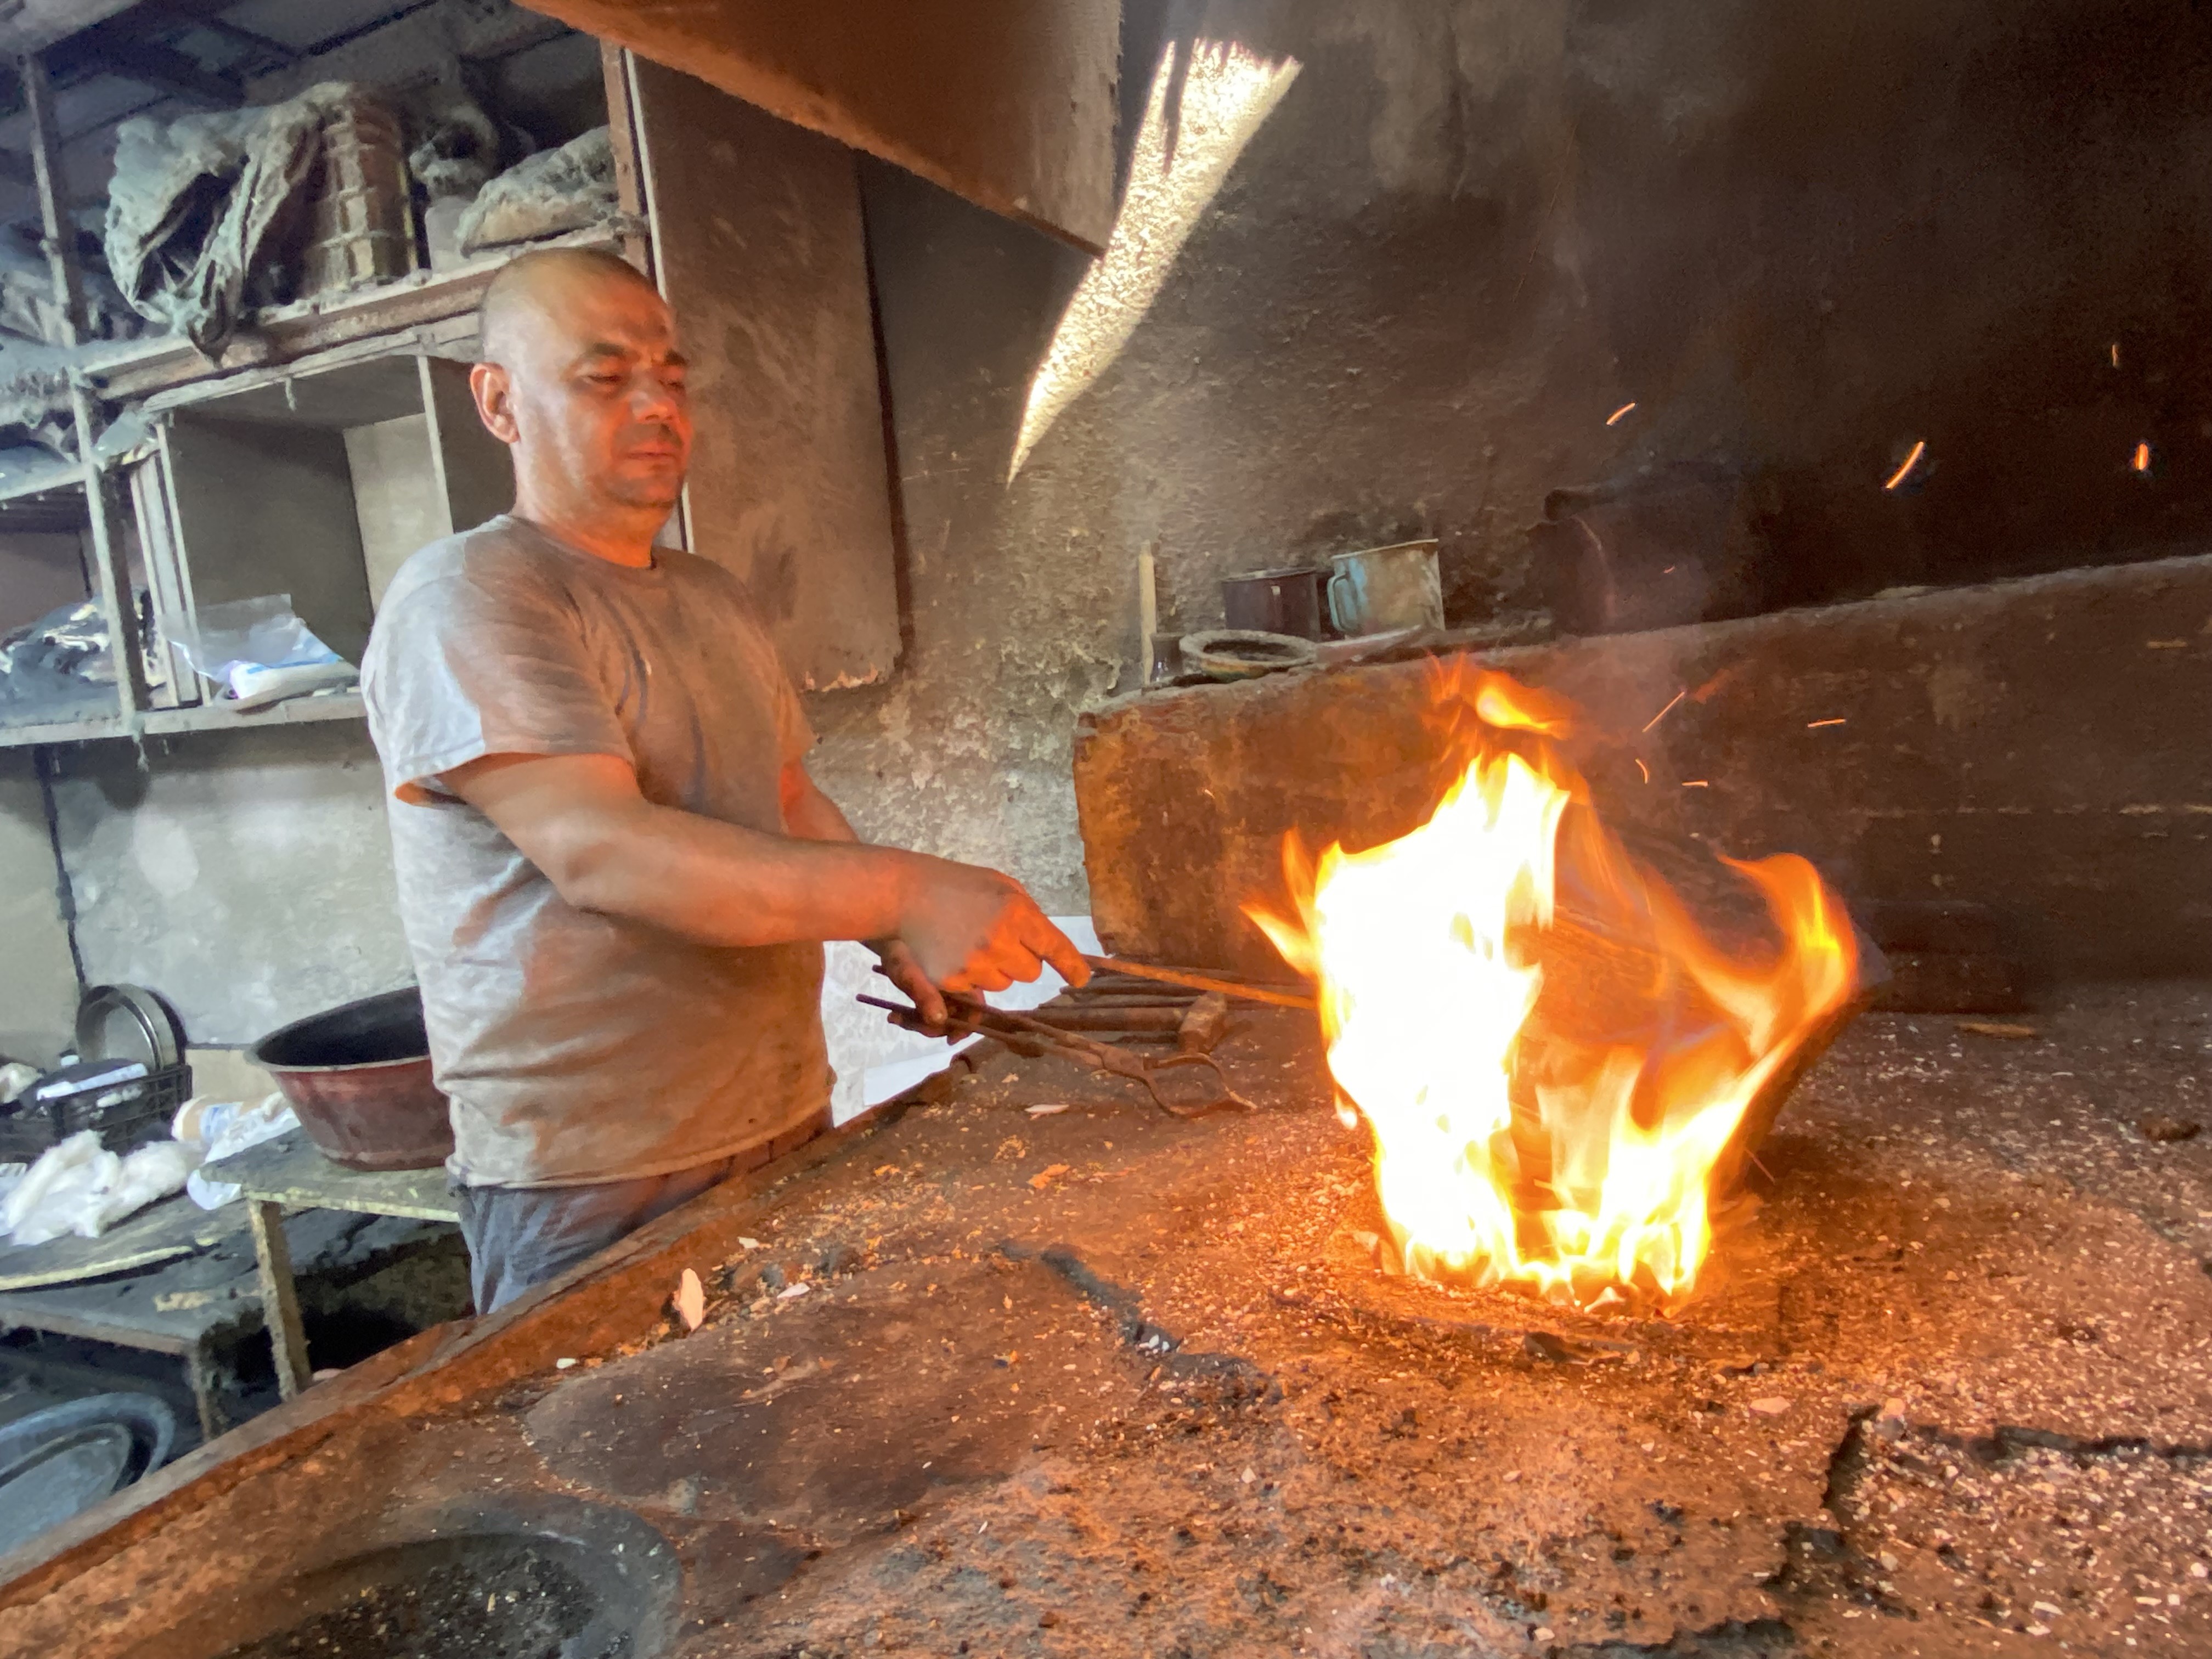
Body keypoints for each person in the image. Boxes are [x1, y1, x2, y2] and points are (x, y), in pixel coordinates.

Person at [360, 247, 1084, 1312]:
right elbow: (602, 853)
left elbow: (784, 806)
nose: (656, 404)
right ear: (500, 402)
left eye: (672, 374)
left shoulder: (711, 597)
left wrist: (899, 940)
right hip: (591, 1178)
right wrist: (904, 891)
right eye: (605, 378)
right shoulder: (472, 596)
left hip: (781, 1120)